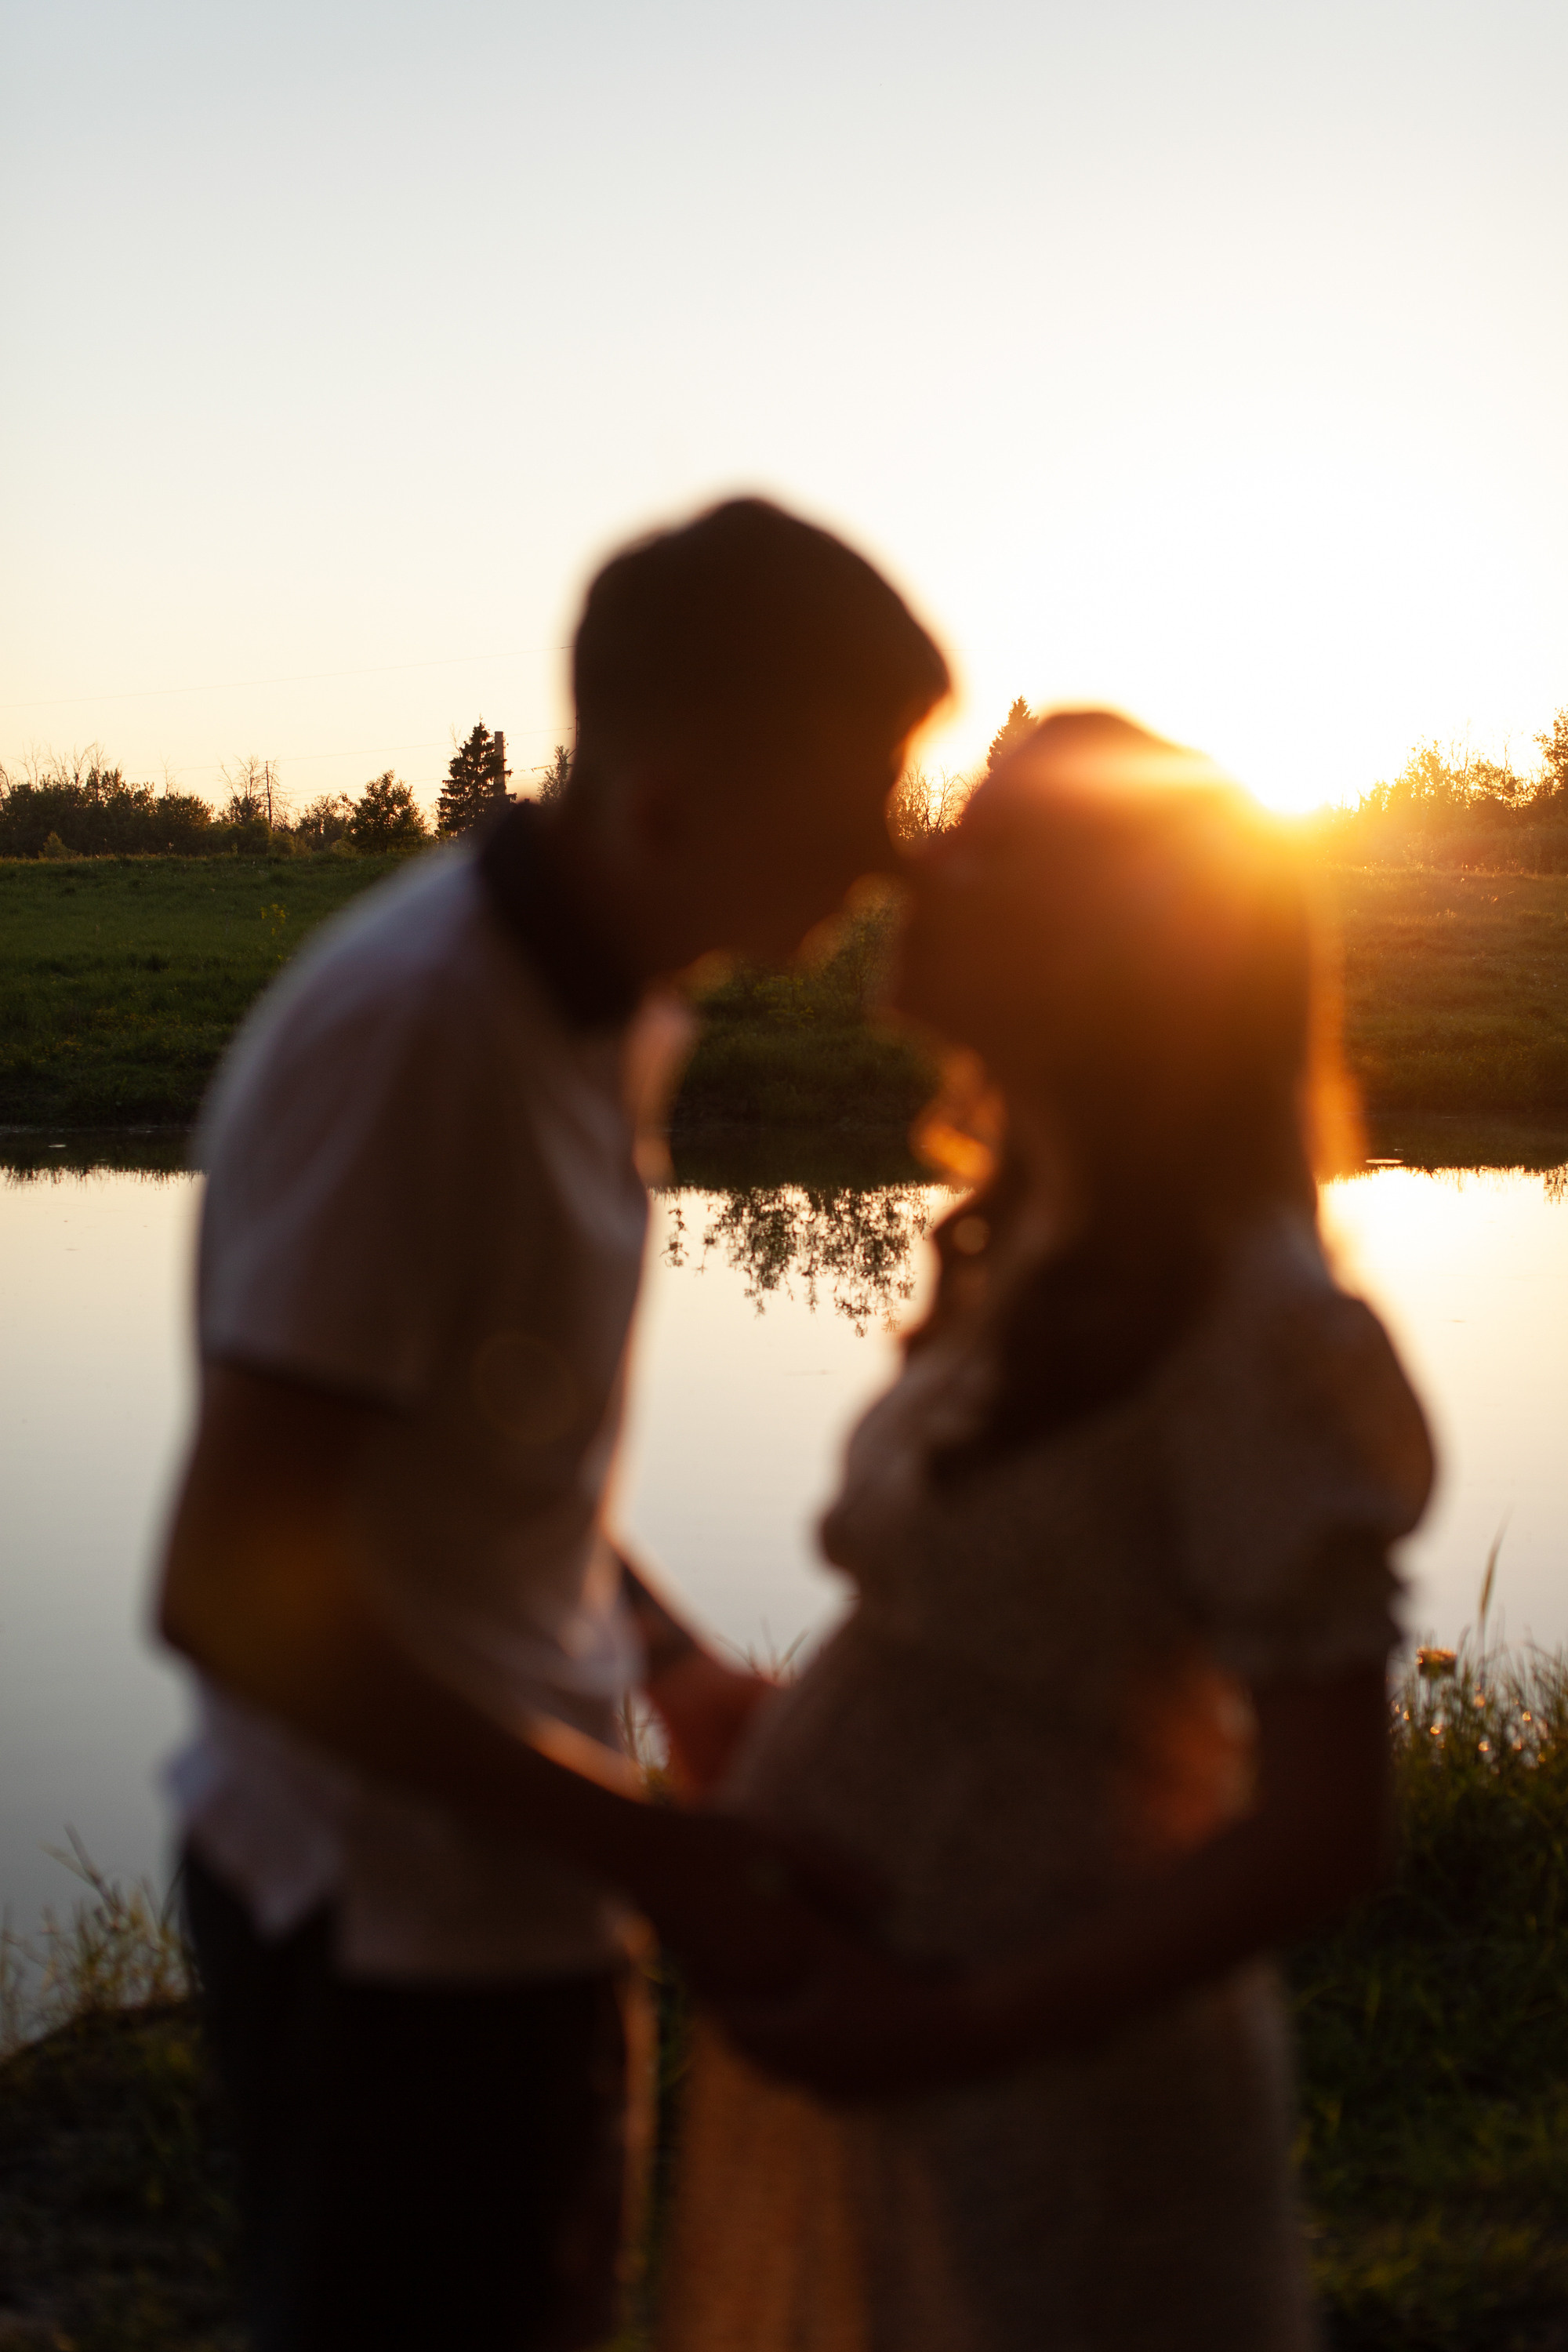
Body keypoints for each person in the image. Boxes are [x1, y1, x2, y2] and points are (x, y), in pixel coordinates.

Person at [154, 495, 949, 2352]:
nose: (877, 858)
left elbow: (486, 1455)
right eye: (850, 797)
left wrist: (665, 1663)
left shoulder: (616, 1008)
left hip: (510, 1885)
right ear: (674, 787)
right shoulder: (417, 1039)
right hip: (382, 1938)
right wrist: (651, 1853)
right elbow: (227, 1587)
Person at [657, 710, 1435, 2352]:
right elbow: (1027, 1658)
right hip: (886, 2046)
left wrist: (949, 2026)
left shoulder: (1258, 1327)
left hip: (1051, 2098)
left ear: (1114, 951)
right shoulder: (1031, 1256)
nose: (917, 856)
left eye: (990, 840)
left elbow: (1321, 1831)